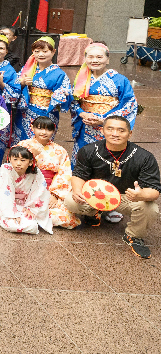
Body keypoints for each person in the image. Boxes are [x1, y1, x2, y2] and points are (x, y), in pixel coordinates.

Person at [66, 116, 160, 259]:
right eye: (110, 129)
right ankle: (95, 212)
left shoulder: (144, 157)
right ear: (102, 131)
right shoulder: (89, 150)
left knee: (150, 208)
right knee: (71, 201)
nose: (115, 134)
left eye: (121, 130)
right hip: (97, 194)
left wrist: (140, 195)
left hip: (126, 197)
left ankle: (133, 236)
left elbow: (154, 190)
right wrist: (78, 190)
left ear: (130, 134)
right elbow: (78, 174)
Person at [70, 43, 137, 165]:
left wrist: (105, 120)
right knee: (83, 158)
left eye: (99, 57)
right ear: (85, 59)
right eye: (90, 57)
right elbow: (74, 101)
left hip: (109, 127)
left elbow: (129, 104)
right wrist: (82, 113)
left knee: (106, 160)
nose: (94, 60)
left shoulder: (120, 80)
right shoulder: (81, 79)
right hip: (85, 125)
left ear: (108, 59)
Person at [17, 116, 80, 230]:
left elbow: (64, 174)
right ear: (32, 128)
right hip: (25, 187)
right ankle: (34, 218)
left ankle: (30, 219)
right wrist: (32, 156)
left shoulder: (60, 150)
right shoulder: (22, 145)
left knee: (66, 217)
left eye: (48, 129)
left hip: (49, 189)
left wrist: (55, 194)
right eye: (40, 128)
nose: (44, 132)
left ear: (53, 131)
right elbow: (15, 167)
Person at [15, 36, 72, 143]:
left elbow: (66, 91)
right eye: (37, 51)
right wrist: (22, 83)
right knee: (23, 143)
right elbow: (14, 86)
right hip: (25, 111)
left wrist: (61, 94)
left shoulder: (59, 73)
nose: (40, 54)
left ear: (53, 52)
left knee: (42, 142)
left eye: (45, 51)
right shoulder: (27, 69)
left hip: (47, 112)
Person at [0, 146, 52, 235]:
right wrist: (12, 214)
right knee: (13, 224)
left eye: (23, 160)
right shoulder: (5, 169)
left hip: (25, 205)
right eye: (15, 159)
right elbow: (4, 193)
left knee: (32, 226)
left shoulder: (35, 173)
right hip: (6, 205)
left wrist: (31, 209)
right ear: (9, 159)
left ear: (30, 162)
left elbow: (39, 192)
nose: (18, 163)